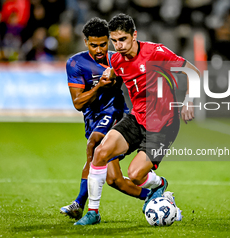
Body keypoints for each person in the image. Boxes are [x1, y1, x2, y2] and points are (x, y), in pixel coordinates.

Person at [75, 13, 200, 225]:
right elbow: (116, 71)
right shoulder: (116, 58)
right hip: (137, 117)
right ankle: (93, 212)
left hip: (163, 123)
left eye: (122, 39)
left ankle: (159, 184)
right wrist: (109, 76)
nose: (118, 45)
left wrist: (189, 100)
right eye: (114, 41)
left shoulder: (156, 52)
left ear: (134, 35)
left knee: (134, 175)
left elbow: (193, 71)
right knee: (100, 152)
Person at [61, 17, 154, 220]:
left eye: (104, 44)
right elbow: (78, 103)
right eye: (94, 45)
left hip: (116, 113)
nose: (99, 49)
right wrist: (99, 87)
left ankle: (80, 204)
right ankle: (154, 196)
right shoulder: (76, 63)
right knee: (114, 179)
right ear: (85, 42)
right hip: (93, 117)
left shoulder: (117, 58)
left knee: (94, 143)